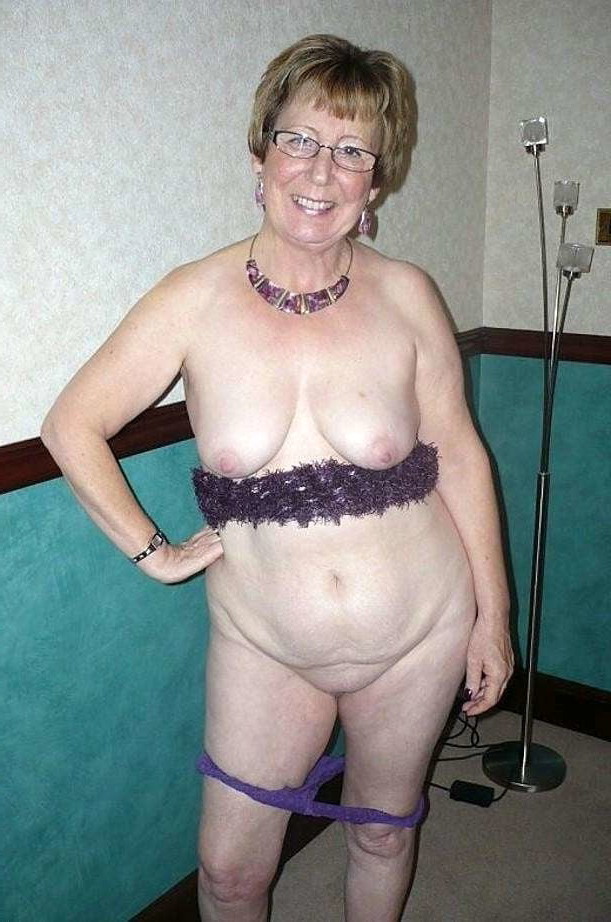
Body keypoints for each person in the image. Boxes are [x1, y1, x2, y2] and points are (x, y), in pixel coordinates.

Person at [41, 34, 513, 922]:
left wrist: (493, 618)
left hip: (419, 632)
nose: (321, 171)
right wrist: (153, 553)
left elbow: (458, 451)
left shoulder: (407, 294)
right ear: (258, 156)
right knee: (228, 874)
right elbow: (72, 424)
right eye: (299, 139)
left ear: (376, 182)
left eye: (352, 150)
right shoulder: (192, 297)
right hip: (263, 645)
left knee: (382, 834)